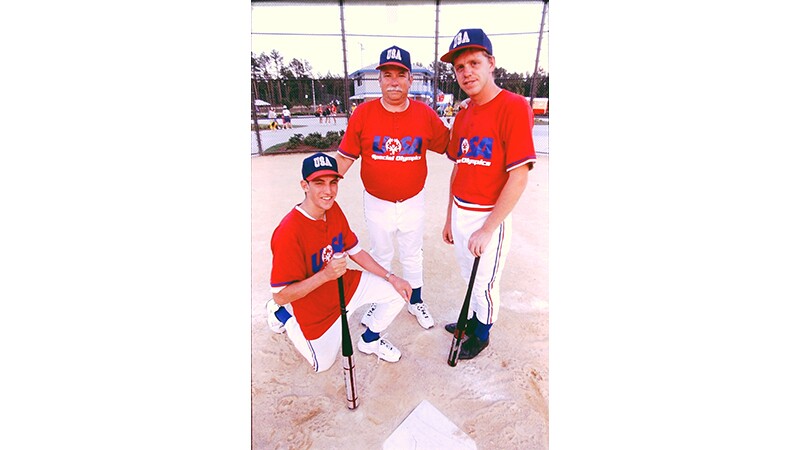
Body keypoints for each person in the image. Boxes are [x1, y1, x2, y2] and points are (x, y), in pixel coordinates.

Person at [335, 45, 450, 330]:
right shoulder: (363, 114)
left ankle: (416, 300)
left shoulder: (424, 115)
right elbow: (345, 157)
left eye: (401, 74)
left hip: (413, 200)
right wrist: (320, 189)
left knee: (412, 253)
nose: (394, 81)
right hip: (376, 201)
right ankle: (380, 298)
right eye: (387, 74)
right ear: (380, 80)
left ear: (411, 79)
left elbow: (452, 145)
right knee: (381, 253)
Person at [266, 152, 414, 373]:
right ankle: (281, 315)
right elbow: (281, 294)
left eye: (333, 182)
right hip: (315, 309)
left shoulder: (333, 209)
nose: (328, 191)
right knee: (322, 365)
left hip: (345, 288)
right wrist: (325, 275)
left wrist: (391, 277)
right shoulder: (288, 232)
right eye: (319, 183)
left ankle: (370, 340)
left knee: (398, 293)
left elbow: (356, 251)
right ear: (304, 185)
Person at [439, 28, 536, 360]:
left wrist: (487, 227)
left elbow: (519, 177)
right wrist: (450, 217)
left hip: (489, 216)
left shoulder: (513, 106)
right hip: (463, 212)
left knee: (486, 282)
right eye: (459, 67)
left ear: (491, 63)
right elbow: (458, 168)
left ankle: (482, 334)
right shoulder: (464, 113)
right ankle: (470, 319)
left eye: (474, 63)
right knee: (469, 275)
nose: (466, 72)